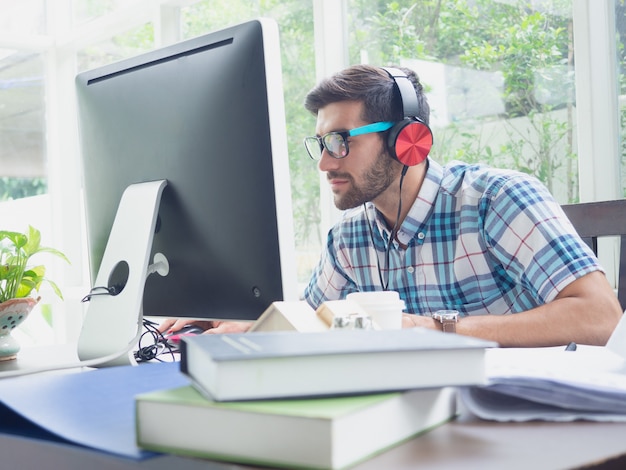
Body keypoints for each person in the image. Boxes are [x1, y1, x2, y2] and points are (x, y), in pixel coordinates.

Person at [161, 64, 622, 346]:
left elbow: (601, 317)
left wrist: (430, 330)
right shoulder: (349, 238)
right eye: (320, 144)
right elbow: (310, 323)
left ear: (408, 142)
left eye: (340, 141)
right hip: (420, 420)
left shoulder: (495, 199)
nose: (324, 163)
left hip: (534, 418)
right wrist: (243, 324)